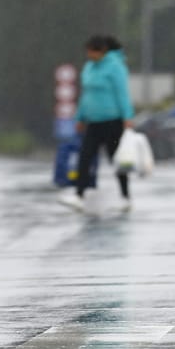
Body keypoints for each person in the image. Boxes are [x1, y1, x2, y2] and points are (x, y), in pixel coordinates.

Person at [60, 34, 135, 214]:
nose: (88, 55)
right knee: (85, 157)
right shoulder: (89, 68)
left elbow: (122, 93)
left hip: (112, 121)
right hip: (93, 122)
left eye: (91, 51)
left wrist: (128, 117)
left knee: (117, 160)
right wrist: (80, 117)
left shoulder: (115, 67)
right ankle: (79, 194)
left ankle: (126, 196)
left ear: (101, 51)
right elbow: (86, 95)